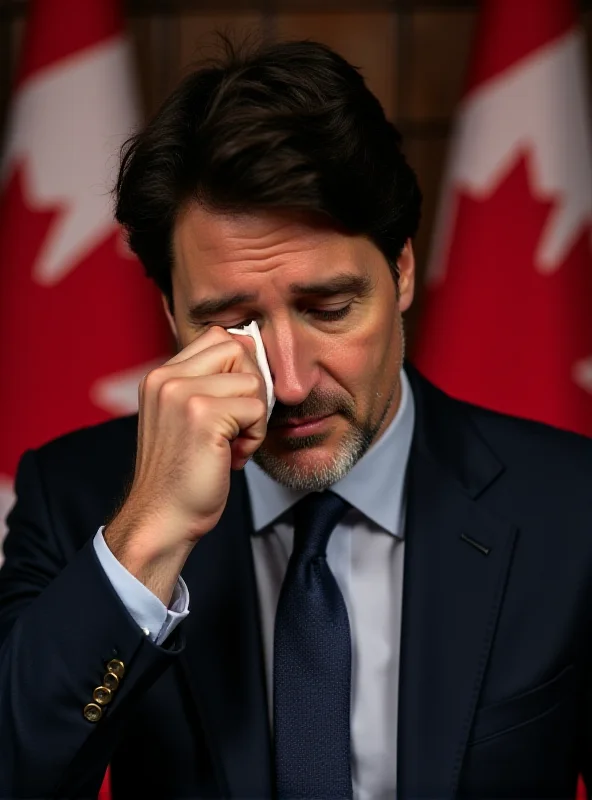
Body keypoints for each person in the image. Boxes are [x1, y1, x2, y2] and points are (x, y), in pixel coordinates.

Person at [1, 36, 592, 800]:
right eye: (231, 324)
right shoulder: (78, 496)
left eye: (330, 308)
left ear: (402, 271)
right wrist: (148, 536)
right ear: (171, 314)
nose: (287, 378)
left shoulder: (572, 510)